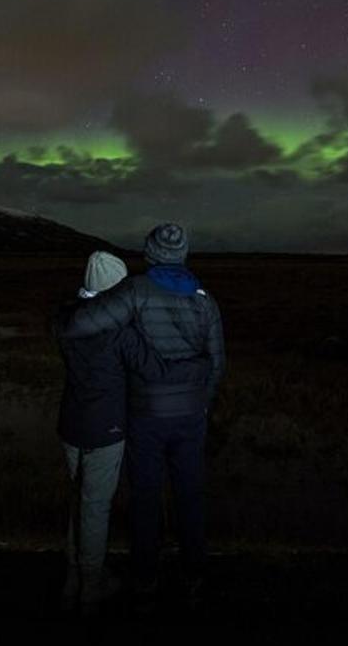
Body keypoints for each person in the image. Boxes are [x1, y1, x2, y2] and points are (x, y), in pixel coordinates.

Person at [56, 224, 225, 611]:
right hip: (189, 415)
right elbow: (217, 363)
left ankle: (145, 578)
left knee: (146, 497)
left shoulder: (134, 291)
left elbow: (82, 324)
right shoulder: (205, 300)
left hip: (147, 414)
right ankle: (194, 576)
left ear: (150, 253)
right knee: (190, 495)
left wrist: (64, 318)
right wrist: (202, 401)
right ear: (184, 254)